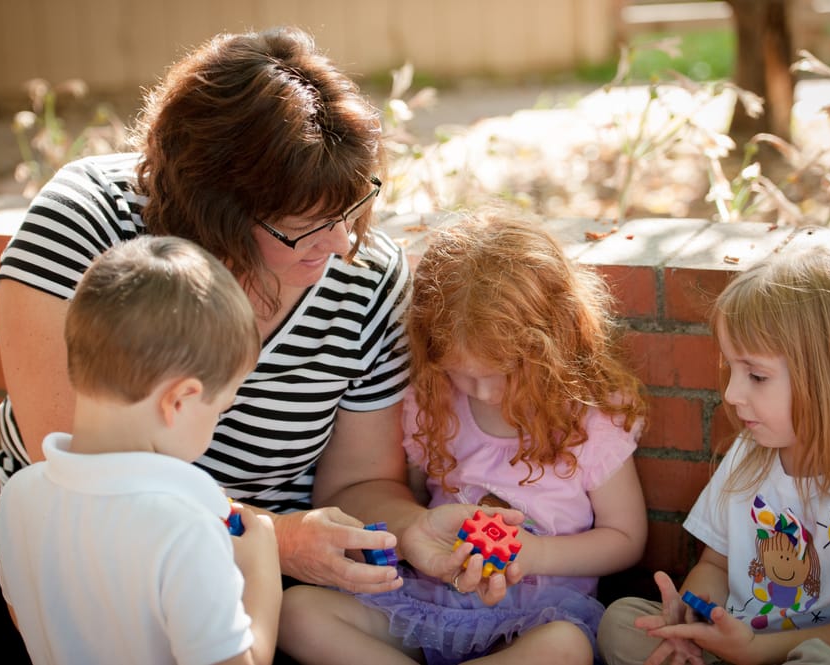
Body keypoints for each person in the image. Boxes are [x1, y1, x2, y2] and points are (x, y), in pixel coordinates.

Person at [0, 25, 488, 662]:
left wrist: (407, 528)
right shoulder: (88, 216)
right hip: (57, 553)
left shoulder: (367, 275)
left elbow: (361, 479)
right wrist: (270, 538)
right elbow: (70, 454)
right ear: (214, 210)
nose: (341, 244)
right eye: (301, 228)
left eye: (350, 208)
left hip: (250, 585)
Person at [278, 215, 649, 665]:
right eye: (465, 375)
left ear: (555, 346)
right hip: (433, 602)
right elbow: (412, 500)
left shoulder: (588, 422)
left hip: (532, 620)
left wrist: (540, 554)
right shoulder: (433, 406)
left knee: (565, 648)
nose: (486, 393)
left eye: (503, 374)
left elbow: (626, 538)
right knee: (297, 611)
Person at [596, 231, 830, 665]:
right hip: (729, 647)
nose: (732, 393)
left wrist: (756, 652)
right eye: (731, 369)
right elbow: (714, 566)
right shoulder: (748, 455)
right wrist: (694, 617)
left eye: (756, 375)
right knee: (621, 623)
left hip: (797, 655)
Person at [0, 235, 281, 665]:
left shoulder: (18, 496)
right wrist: (263, 575)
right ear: (179, 400)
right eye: (221, 409)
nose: (217, 421)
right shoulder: (186, 531)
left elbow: (25, 620)